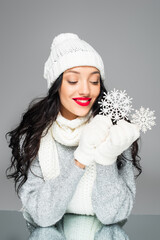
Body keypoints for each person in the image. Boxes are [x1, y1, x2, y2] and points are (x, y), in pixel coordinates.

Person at [6, 33, 142, 231]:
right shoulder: (36, 135)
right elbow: (42, 216)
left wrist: (106, 158)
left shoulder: (114, 130)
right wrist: (81, 158)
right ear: (56, 85)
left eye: (94, 81)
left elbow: (113, 214)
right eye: (72, 81)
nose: (85, 90)